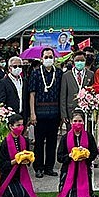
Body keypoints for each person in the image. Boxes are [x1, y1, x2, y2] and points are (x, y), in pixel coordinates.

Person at [29, 48, 61, 179]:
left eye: (50, 57)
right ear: (41, 59)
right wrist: (32, 113)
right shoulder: (35, 73)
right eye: (46, 57)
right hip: (39, 114)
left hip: (54, 113)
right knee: (39, 142)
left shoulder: (58, 73)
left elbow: (60, 93)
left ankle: (49, 167)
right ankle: (38, 167)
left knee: (52, 142)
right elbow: (32, 94)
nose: (48, 59)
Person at [0, 114, 38, 197]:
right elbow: (1, 164)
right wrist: (14, 161)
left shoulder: (24, 140)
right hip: (9, 176)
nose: (21, 127)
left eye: (22, 125)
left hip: (21, 175)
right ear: (10, 126)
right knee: (18, 196)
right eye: (18, 125)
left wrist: (28, 160)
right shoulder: (5, 143)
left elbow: (29, 157)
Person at [56, 110, 99, 197]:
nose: (77, 123)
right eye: (75, 121)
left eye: (80, 121)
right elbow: (59, 157)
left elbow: (94, 152)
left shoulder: (89, 136)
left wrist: (86, 156)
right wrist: (70, 156)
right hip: (68, 169)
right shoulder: (65, 137)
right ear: (71, 122)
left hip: (84, 167)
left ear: (83, 122)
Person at [60, 51, 94, 124]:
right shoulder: (66, 75)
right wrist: (63, 114)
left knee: (85, 132)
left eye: (82, 60)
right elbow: (63, 96)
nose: (79, 62)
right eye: (77, 60)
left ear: (85, 61)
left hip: (86, 110)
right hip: (71, 110)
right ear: (73, 62)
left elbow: (93, 92)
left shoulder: (90, 74)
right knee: (71, 133)